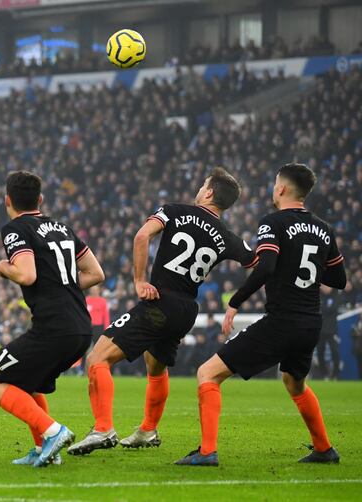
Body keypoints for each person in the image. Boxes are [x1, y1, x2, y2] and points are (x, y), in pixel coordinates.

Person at [68, 168, 255, 455]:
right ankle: (147, 430)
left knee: (97, 359)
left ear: (209, 192)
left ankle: (103, 428)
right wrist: (239, 299)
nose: (199, 188)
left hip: (160, 300)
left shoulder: (175, 211)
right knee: (156, 367)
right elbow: (258, 263)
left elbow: (142, 236)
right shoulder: (228, 236)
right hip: (186, 310)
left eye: (203, 184)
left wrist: (139, 280)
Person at [177, 163, 347, 466]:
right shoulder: (324, 229)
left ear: (281, 188)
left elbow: (265, 266)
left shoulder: (273, 222)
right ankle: (324, 448)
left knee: (208, 373)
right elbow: (339, 279)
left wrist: (236, 302)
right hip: (311, 322)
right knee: (294, 383)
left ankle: (206, 452)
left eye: (274, 184)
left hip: (282, 321)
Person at [0, 171, 105, 468]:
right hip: (80, 328)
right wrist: (62, 287)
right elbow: (96, 274)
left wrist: (2, 267)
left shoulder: (15, 229)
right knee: (27, 384)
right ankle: (45, 450)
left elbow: (26, 274)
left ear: (7, 200)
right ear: (41, 199)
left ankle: (53, 431)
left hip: (53, 329)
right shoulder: (63, 228)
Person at [316, 286, 341, 380]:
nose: (325, 288)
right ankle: (324, 374)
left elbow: (332, 309)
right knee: (320, 353)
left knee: (335, 352)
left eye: (328, 286)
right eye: (323, 286)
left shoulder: (336, 295)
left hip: (332, 329)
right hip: (320, 329)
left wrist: (323, 308)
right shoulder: (317, 296)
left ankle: (335, 374)